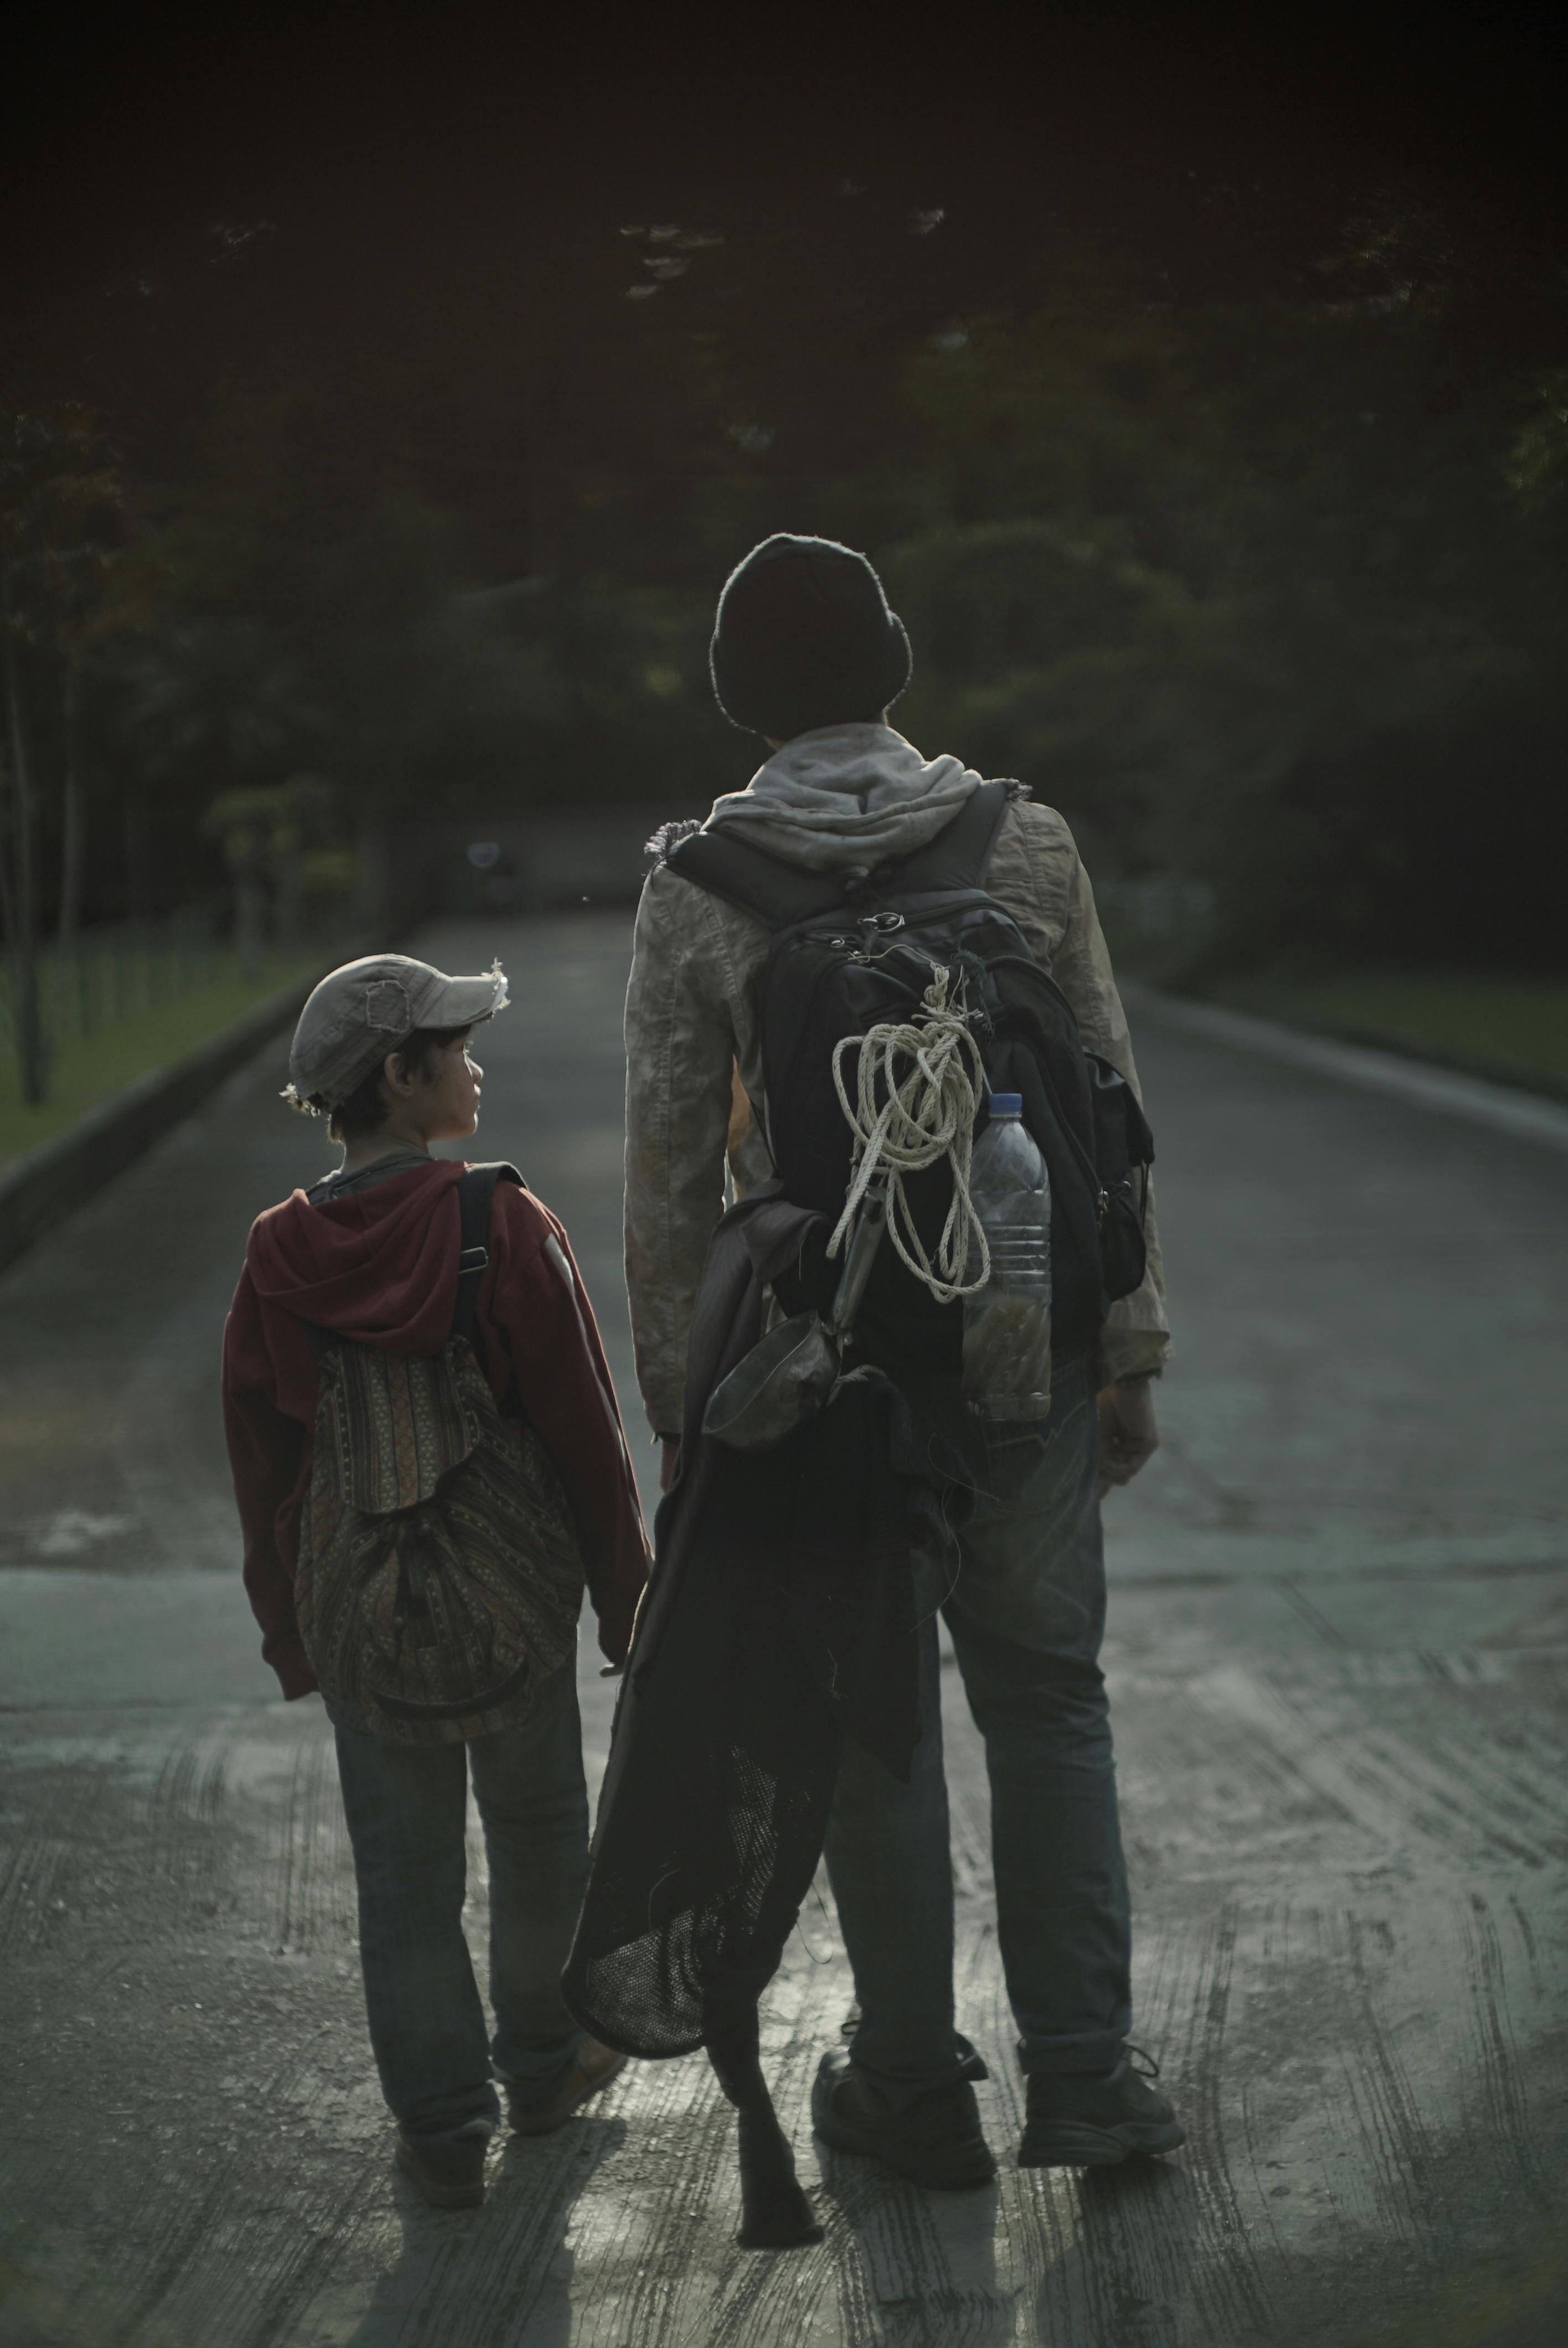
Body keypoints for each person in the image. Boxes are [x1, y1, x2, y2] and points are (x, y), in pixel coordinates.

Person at [622, 535, 1183, 2184]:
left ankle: (915, 2091)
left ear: (740, 699)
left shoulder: (698, 889)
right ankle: (1088, 2082)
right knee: (1050, 1703)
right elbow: (1110, 1114)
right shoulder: (1027, 843)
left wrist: (685, 1414)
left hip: (823, 1376)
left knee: (877, 1726)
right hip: (1032, 1335)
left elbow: (669, 1185)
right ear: (894, 666)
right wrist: (1129, 1345)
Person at [223, 953, 648, 2208]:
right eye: (456, 1047)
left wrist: (292, 1629)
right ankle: (543, 2064)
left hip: (358, 1603)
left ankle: (441, 2128)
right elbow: (583, 1427)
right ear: (402, 1077)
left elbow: (263, 1460)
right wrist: (629, 1600)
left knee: (402, 1875)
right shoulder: (501, 1221)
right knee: (536, 1839)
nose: (476, 1065)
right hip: (510, 1596)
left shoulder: (278, 1253)